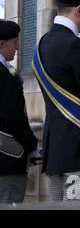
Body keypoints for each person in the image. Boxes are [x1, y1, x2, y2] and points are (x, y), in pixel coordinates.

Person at [32, 0, 80, 201]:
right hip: (79, 146)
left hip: (55, 148)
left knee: (56, 205)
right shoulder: (77, 46)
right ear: (78, 10)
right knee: (77, 205)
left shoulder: (42, 44)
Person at [0, 21, 38, 204]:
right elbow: (15, 119)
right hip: (7, 161)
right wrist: (32, 147)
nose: (17, 47)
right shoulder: (3, 75)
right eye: (14, 42)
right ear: (1, 43)